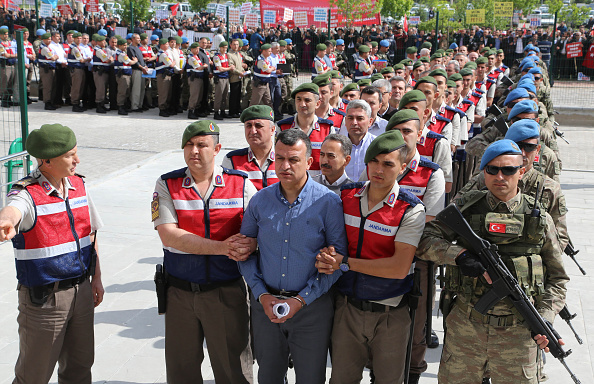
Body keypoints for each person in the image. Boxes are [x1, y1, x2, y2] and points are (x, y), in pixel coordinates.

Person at [417, 139, 568, 384]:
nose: (500, 176)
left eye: (508, 170)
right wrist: (458, 255)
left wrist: (544, 317)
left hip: (517, 335)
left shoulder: (538, 219)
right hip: (466, 328)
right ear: (483, 172)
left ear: (521, 171)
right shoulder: (466, 208)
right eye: (492, 169)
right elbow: (424, 240)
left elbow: (558, 279)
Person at [315, 129, 426, 383]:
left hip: (391, 314)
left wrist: (345, 263)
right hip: (347, 309)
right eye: (373, 161)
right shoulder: (345, 196)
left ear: (402, 167)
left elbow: (399, 268)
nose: (378, 169)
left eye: (388, 164)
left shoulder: (410, 209)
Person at [239, 128, 348, 384]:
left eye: (293, 159)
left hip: (312, 310)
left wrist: (302, 299)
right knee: (268, 377)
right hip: (265, 307)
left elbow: (338, 261)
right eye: (279, 158)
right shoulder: (259, 201)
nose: (285, 166)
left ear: (309, 162)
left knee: (311, 378)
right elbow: (245, 253)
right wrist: (261, 294)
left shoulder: (328, 203)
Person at [152, 120, 256, 384]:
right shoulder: (167, 184)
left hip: (226, 291)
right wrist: (223, 248)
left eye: (201, 145)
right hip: (179, 294)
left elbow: (259, 232)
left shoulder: (241, 185)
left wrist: (250, 245)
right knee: (181, 371)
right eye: (188, 145)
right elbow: (169, 235)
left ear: (217, 148)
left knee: (233, 370)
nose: (194, 151)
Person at [0, 123, 104, 383]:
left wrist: (97, 278)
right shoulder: (27, 193)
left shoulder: (79, 185)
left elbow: (90, 234)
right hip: (45, 301)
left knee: (80, 370)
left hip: (81, 292)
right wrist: (6, 222)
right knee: (34, 375)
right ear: (46, 161)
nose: (77, 161)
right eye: (70, 156)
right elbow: (14, 210)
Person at [277, 83, 334, 176]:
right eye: (298, 99)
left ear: (317, 103)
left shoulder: (327, 128)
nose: (302, 104)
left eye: (307, 100)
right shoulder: (283, 127)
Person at [223, 105, 279, 190]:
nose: (253, 131)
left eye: (258, 126)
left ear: (272, 130)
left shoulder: (284, 157)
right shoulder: (232, 160)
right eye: (248, 126)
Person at [114, 38, 137, 116]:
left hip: (126, 75)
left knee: (126, 91)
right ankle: (120, 107)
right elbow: (130, 62)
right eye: (123, 45)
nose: (125, 46)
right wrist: (135, 61)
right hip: (123, 75)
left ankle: (124, 106)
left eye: (126, 45)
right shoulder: (121, 54)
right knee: (122, 91)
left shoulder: (121, 53)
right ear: (119, 46)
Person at [92, 34, 114, 114]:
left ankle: (102, 104)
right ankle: (99, 105)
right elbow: (107, 60)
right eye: (102, 41)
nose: (104, 42)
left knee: (103, 89)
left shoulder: (102, 49)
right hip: (99, 72)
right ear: (98, 42)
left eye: (104, 40)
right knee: (100, 89)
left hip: (104, 71)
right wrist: (110, 59)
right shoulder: (98, 50)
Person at [185, 42, 207, 120]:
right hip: (194, 78)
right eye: (195, 49)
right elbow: (198, 67)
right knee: (194, 95)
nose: (197, 50)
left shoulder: (196, 57)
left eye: (198, 48)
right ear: (192, 49)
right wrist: (204, 66)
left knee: (199, 95)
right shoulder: (191, 57)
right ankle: (191, 111)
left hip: (199, 78)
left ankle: (196, 111)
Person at [36, 32, 59, 110]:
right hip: (46, 69)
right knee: (47, 87)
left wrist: (55, 57)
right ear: (43, 40)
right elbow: (52, 57)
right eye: (47, 39)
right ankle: (47, 102)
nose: (49, 41)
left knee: (52, 86)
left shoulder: (48, 47)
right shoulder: (44, 48)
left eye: (49, 39)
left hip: (50, 68)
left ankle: (51, 102)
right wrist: (55, 57)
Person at [155, 38, 175, 117]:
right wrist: (174, 61)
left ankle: (166, 108)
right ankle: (162, 109)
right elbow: (171, 64)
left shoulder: (165, 53)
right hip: (163, 75)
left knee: (168, 93)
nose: (168, 45)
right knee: (163, 93)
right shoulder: (162, 54)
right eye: (166, 44)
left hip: (167, 75)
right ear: (162, 45)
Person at [250, 43, 274, 107]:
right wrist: (272, 68)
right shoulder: (261, 60)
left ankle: (269, 115)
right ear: (264, 51)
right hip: (259, 84)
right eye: (269, 51)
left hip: (265, 83)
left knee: (268, 102)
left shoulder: (266, 59)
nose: (271, 53)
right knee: (255, 102)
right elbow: (268, 70)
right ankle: (250, 116)